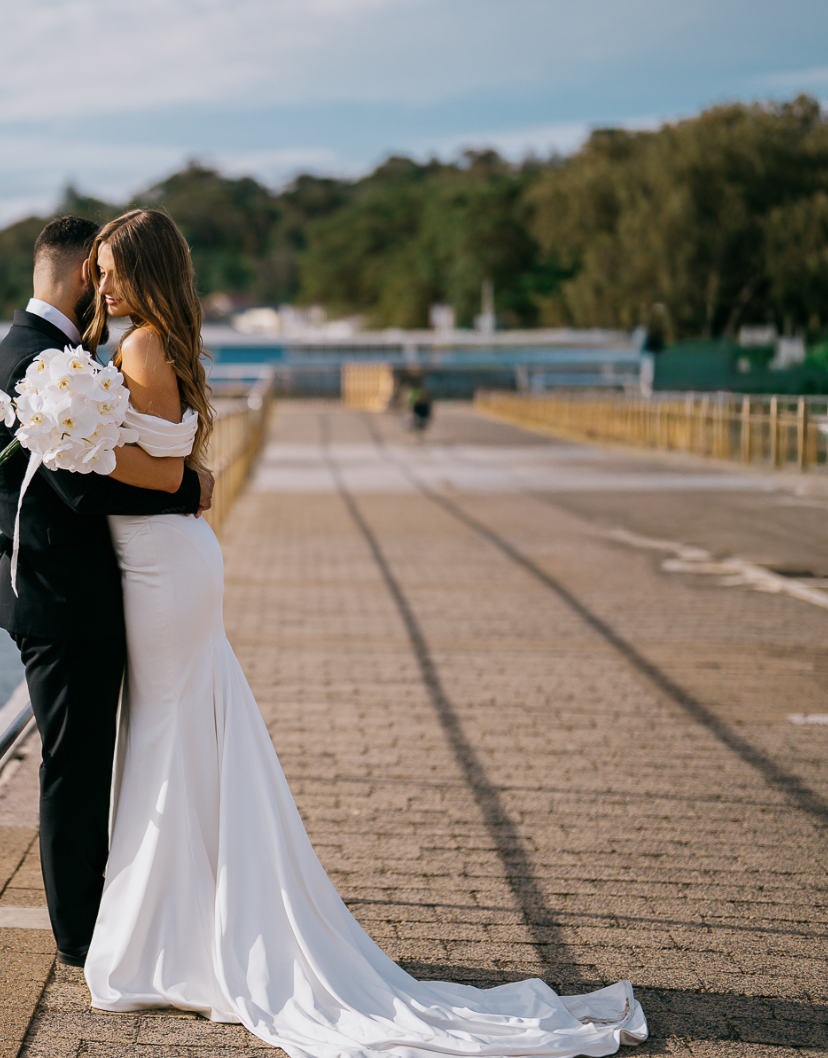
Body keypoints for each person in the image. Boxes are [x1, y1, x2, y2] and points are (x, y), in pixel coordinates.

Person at [74, 208, 648, 1058]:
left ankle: (172, 938)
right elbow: (184, 472)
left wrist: (72, 440)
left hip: (161, 567)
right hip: (171, 561)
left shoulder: (141, 346)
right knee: (178, 734)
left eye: (114, 268)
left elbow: (161, 472)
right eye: (96, 268)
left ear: (147, 272)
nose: (102, 283)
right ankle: (180, 928)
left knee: (167, 734)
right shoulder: (162, 342)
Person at [0, 215, 215, 969]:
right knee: (79, 770)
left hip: (89, 590)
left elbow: (91, 470)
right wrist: (186, 488)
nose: (103, 287)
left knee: (107, 758)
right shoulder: (39, 363)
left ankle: (128, 911)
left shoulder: (55, 357)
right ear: (85, 275)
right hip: (62, 599)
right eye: (98, 272)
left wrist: (178, 484)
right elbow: (79, 491)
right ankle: (82, 936)